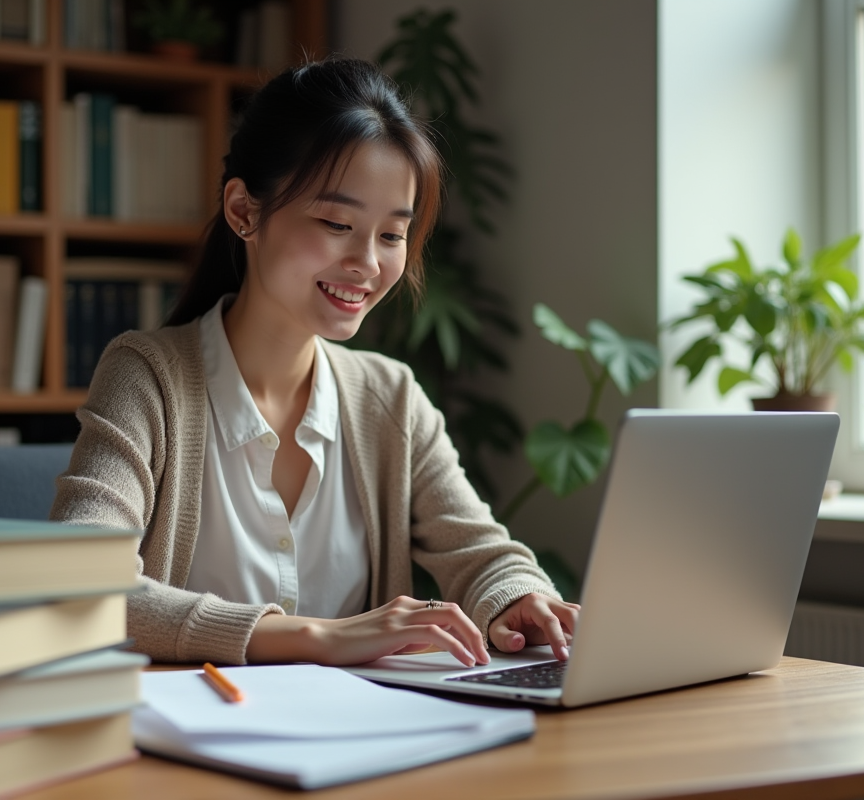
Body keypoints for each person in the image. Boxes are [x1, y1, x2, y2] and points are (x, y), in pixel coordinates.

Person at [50, 57, 579, 668]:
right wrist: (317, 637)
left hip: (361, 727)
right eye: (336, 223)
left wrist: (519, 598)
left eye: (391, 235)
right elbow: (79, 580)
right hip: (197, 723)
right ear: (244, 212)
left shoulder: (390, 398)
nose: (368, 263)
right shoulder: (147, 378)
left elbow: (482, 554)